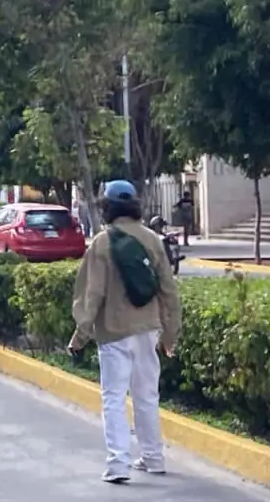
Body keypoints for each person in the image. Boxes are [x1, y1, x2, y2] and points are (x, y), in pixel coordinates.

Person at [69, 180, 181, 484]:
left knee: (114, 398)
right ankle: (154, 458)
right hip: (149, 329)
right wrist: (170, 334)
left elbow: (93, 295)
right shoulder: (153, 239)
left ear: (107, 206)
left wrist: (80, 335)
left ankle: (118, 464)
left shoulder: (103, 243)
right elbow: (169, 291)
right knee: (147, 395)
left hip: (114, 332)